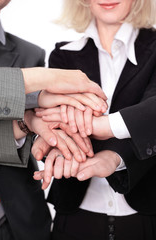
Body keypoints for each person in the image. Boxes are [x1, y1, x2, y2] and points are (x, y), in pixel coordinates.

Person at [33, 0, 156, 239]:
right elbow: (57, 124)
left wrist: (112, 152)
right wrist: (61, 145)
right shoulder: (63, 55)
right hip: (75, 213)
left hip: (146, 213)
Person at [0, 0, 106, 239]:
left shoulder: (30, 53)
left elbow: (35, 129)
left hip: (18, 220)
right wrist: (41, 78)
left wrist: (29, 123)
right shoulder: (42, 73)